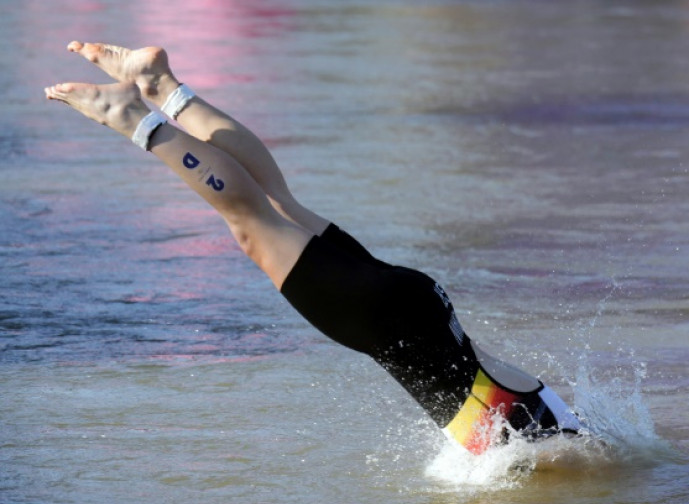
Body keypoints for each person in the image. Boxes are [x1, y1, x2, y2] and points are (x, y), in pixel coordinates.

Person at [44, 42, 582, 455]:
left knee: (277, 203)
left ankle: (160, 83)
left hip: (421, 306)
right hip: (385, 321)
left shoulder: (554, 417)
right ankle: (133, 116)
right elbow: (548, 470)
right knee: (252, 223)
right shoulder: (552, 450)